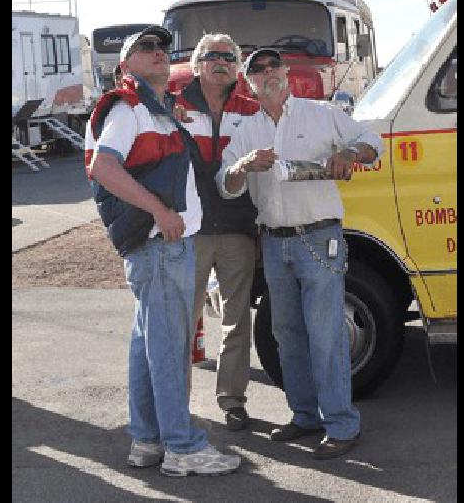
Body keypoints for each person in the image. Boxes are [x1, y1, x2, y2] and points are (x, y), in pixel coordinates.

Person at [84, 25, 240, 477]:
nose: (157, 53)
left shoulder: (153, 109)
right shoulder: (128, 108)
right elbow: (104, 168)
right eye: (144, 48)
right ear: (124, 65)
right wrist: (161, 212)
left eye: (162, 47)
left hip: (156, 247)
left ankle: (148, 439)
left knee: (147, 345)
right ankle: (182, 446)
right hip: (161, 245)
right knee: (169, 348)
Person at [215, 49, 383, 460]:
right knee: (286, 334)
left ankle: (342, 425)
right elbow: (225, 182)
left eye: (274, 66)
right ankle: (305, 416)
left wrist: (349, 154)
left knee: (326, 335)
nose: (268, 73)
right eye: (258, 69)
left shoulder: (320, 114)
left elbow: (372, 141)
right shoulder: (246, 130)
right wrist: (244, 168)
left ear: (286, 73)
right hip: (274, 242)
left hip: (320, 238)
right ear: (249, 82)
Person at [174, 33, 261, 431]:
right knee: (181, 320)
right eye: (212, 55)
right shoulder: (172, 106)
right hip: (189, 231)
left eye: (229, 55)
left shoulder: (252, 110)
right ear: (197, 64)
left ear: (238, 66)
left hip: (237, 229)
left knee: (236, 319)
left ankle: (232, 399)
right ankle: (177, 403)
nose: (221, 62)